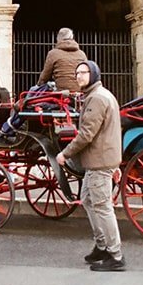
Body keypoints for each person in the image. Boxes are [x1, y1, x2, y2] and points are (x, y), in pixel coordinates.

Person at [56, 60, 125, 272]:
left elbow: (87, 134)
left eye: (84, 72)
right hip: (100, 159)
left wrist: (65, 154)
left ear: (93, 74)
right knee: (87, 199)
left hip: (99, 162)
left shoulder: (96, 98)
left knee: (103, 207)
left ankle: (115, 255)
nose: (79, 76)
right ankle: (102, 245)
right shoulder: (100, 95)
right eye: (77, 73)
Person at [37, 27, 88, 93]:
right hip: (80, 92)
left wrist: (39, 84)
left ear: (58, 38)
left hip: (62, 93)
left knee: (34, 90)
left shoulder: (53, 53)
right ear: (72, 37)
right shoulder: (82, 54)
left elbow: (45, 77)